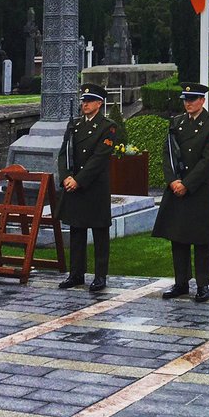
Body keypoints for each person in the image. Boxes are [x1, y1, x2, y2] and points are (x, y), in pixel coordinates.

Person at [152, 82, 209, 303]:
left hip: (198, 189)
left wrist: (187, 184)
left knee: (201, 240)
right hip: (176, 187)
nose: (188, 103)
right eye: (185, 99)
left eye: (192, 99)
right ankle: (181, 282)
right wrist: (173, 180)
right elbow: (168, 154)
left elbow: (208, 160)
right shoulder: (176, 123)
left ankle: (202, 285)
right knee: (178, 237)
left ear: (202, 100)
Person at [57, 83, 118, 294]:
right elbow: (64, 153)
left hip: (94, 187)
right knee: (76, 230)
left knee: (99, 232)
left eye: (89, 101)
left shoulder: (107, 126)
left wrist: (79, 180)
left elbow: (99, 158)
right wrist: (65, 176)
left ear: (99, 104)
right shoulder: (74, 125)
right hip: (74, 185)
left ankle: (100, 275)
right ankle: (76, 273)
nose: (84, 104)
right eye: (83, 101)